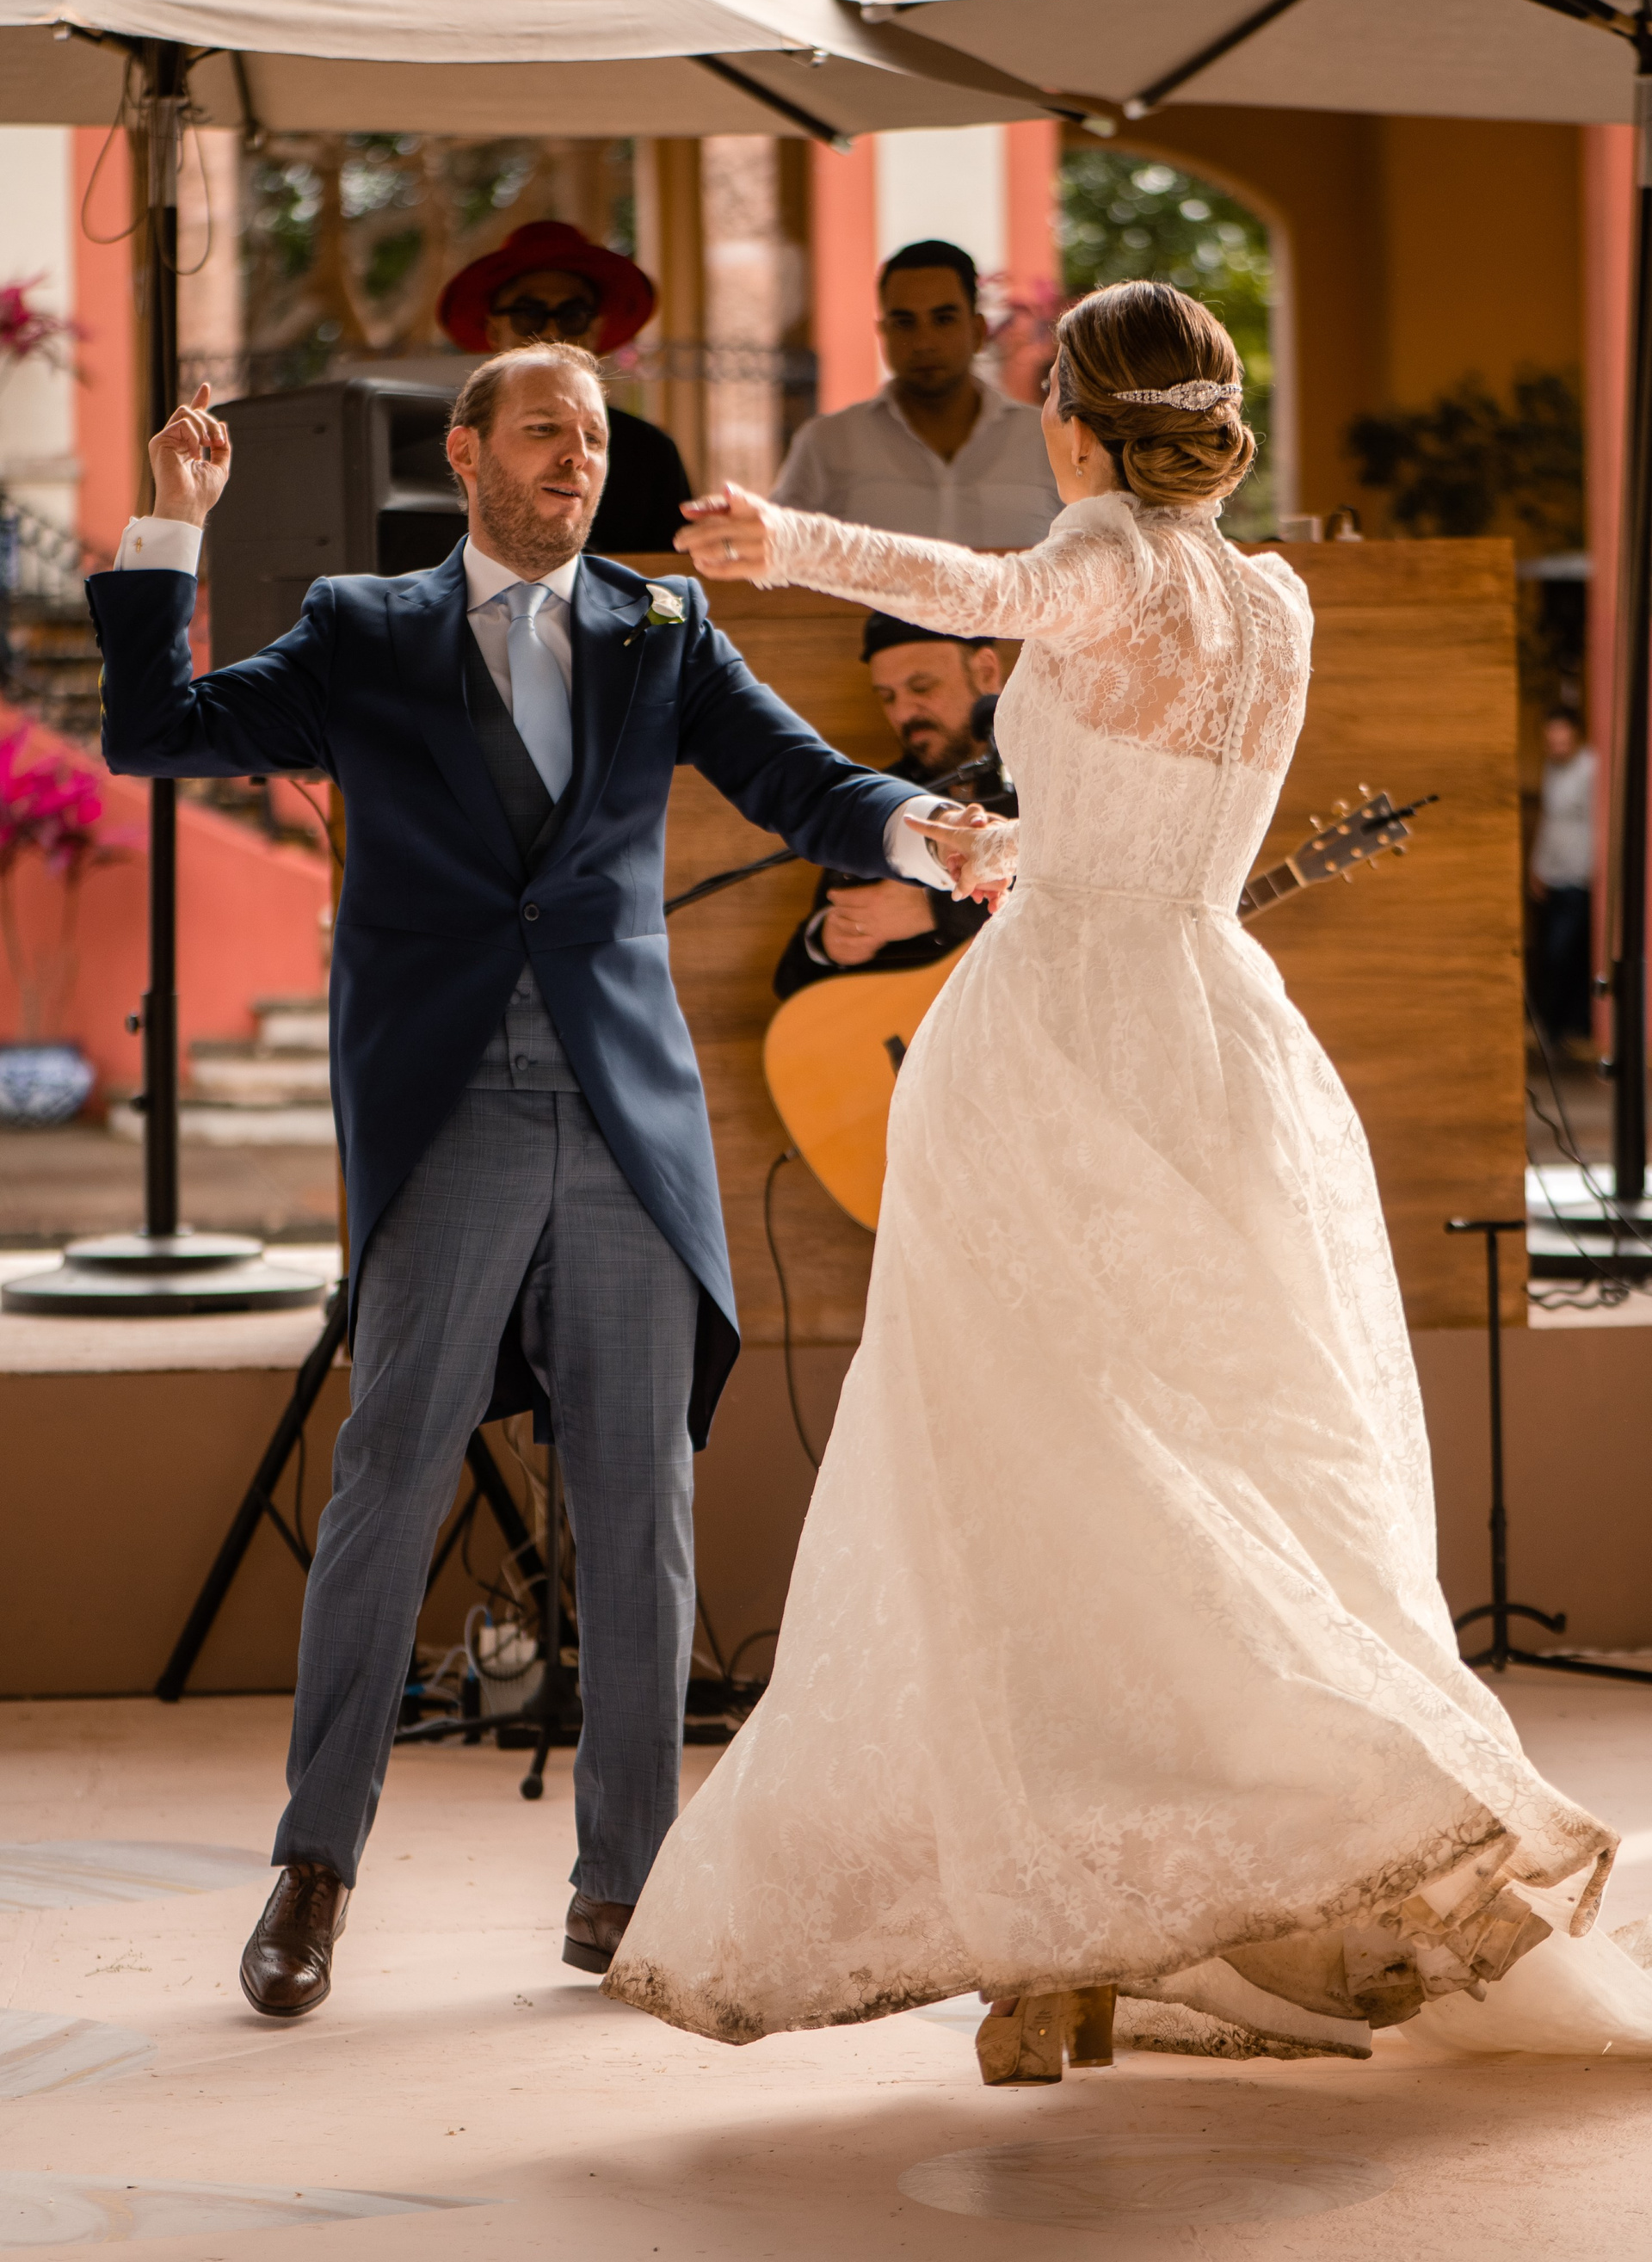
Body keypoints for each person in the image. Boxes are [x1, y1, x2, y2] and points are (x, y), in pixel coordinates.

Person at [605, 280, 1652, 2074]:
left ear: (1080, 426)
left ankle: (1060, 1939)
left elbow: (983, 592)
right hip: (1221, 1027)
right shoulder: (1273, 596)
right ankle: (1128, 1910)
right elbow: (1132, 786)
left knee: (1025, 1472)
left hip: (1058, 1033)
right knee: (1205, 1458)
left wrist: (787, 538)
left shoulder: (1109, 559)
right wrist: (1012, 833)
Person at [86, 348, 975, 2020]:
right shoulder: (363, 627)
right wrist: (170, 526)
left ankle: (626, 1882)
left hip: (631, 1117)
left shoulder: (664, 629)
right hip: (450, 1110)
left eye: (595, 435)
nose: (579, 457)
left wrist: (933, 835)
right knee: (389, 1476)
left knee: (640, 1498)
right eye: (546, 429)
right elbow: (157, 729)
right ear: (467, 452)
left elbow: (805, 784)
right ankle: (315, 1866)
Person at [773, 612, 1014, 1001]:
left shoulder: (1056, 778)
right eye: (887, 698)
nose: (903, 714)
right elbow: (792, 986)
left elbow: (1090, 901)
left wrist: (933, 909)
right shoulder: (878, 800)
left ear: (986, 672)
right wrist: (828, 942)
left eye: (922, 687)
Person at [771, 239, 1060, 551]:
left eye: (943, 319)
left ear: (978, 331)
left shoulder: (1048, 442)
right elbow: (778, 557)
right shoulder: (827, 445)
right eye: (904, 323)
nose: (924, 342)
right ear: (884, 334)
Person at [438, 219, 692, 553]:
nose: (551, 332)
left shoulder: (649, 451)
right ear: (494, 329)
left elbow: (674, 571)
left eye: (573, 315)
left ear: (596, 330)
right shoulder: (435, 444)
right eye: (528, 314)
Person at [1527, 709, 1596, 1055]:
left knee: (1565, 953)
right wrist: (1536, 866)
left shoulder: (1591, 769)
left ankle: (1563, 1028)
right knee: (1551, 953)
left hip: (1580, 876)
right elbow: (1549, 820)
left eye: (1562, 739)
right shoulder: (1551, 769)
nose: (1556, 745)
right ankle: (1556, 1029)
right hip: (1553, 875)